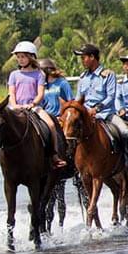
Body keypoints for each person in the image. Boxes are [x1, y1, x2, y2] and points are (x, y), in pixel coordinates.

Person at [0, 41, 66, 168]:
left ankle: (54, 156)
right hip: (15, 108)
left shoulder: (39, 74)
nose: (20, 59)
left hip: (34, 108)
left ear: (31, 57)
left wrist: (33, 104)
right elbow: (11, 93)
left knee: (51, 125)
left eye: (23, 56)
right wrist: (14, 105)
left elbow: (40, 93)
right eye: (18, 57)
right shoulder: (14, 75)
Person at [74, 43, 128, 165]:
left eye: (84, 57)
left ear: (92, 57)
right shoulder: (83, 77)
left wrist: (96, 109)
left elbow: (111, 96)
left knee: (125, 132)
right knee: (70, 133)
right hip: (85, 116)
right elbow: (78, 98)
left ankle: (127, 163)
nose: (82, 61)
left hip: (106, 114)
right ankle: (75, 166)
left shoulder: (108, 74)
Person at [39, 57, 75, 227]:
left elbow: (70, 102)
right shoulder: (40, 85)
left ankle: (71, 165)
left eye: (42, 70)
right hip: (43, 118)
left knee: (68, 140)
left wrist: (63, 116)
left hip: (60, 119)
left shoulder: (62, 84)